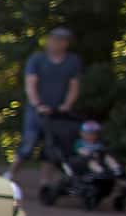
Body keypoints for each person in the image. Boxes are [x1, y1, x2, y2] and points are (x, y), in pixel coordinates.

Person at [15, 26, 82, 191]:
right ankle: (11, 174)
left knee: (52, 147)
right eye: (52, 39)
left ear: (65, 43)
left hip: (57, 112)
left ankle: (45, 182)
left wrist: (67, 105)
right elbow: (30, 84)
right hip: (37, 111)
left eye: (59, 40)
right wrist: (37, 104)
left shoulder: (72, 62)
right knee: (29, 144)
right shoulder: (37, 60)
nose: (54, 43)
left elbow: (74, 86)